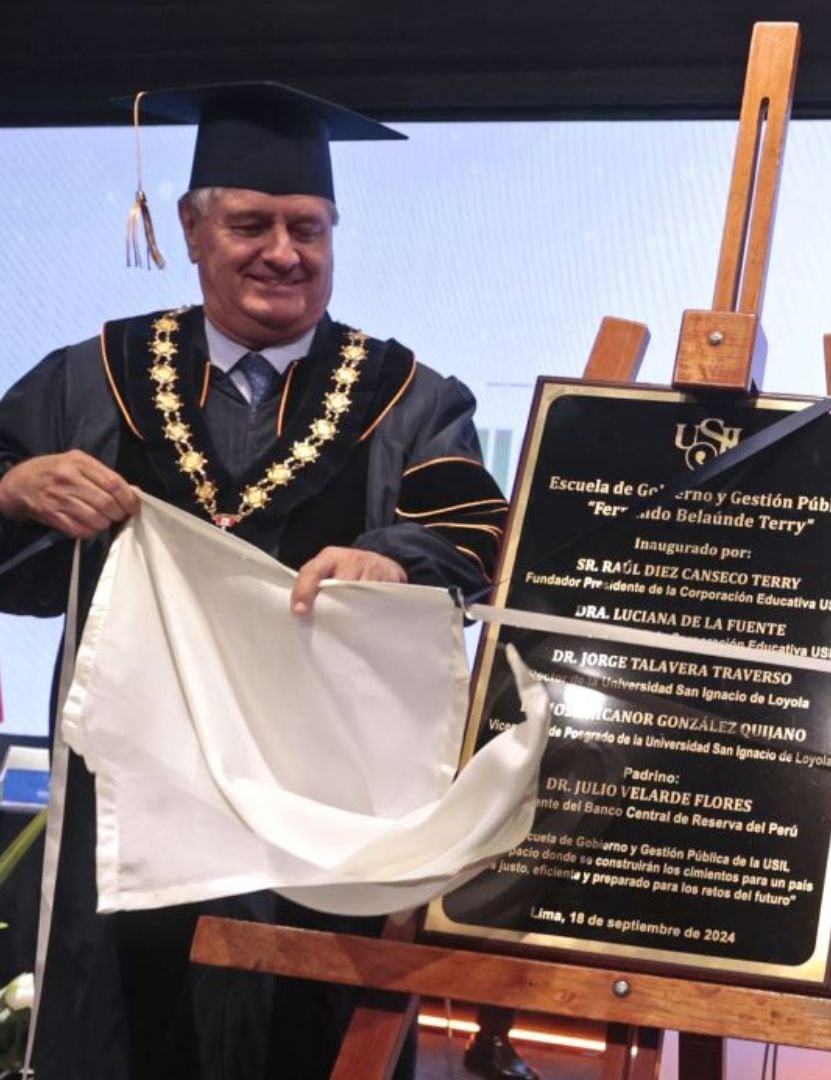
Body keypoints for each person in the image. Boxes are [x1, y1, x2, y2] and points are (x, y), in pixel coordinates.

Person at [0, 82, 518, 1079]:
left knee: (309, 1035)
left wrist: (393, 560)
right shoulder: (91, 376)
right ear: (193, 232)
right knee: (122, 1033)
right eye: (251, 224)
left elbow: (475, 534)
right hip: (131, 795)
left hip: (323, 809)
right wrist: (17, 486)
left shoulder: (409, 398)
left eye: (308, 228)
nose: (284, 252)